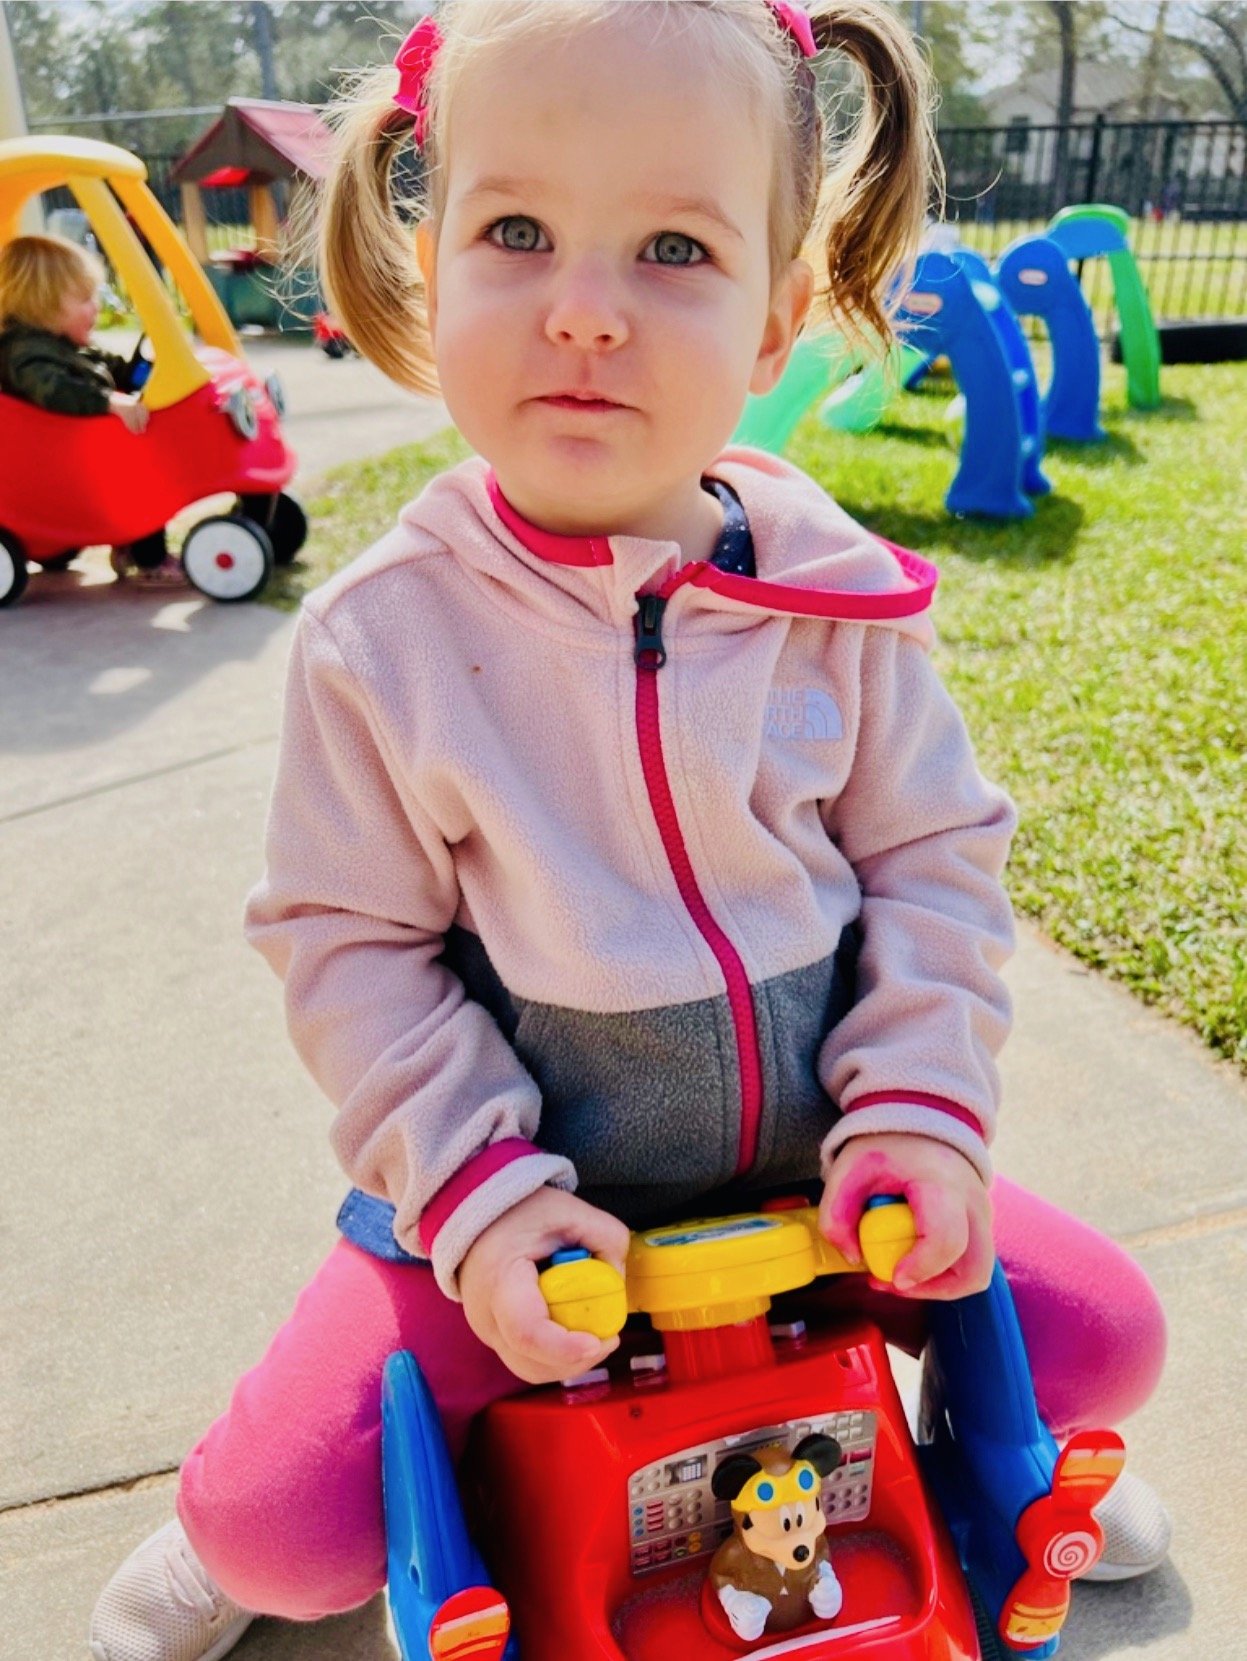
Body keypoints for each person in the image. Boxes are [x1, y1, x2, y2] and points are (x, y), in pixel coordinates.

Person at [88, 3, 1170, 1657]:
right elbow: (349, 948)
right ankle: (249, 1524)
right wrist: (482, 1195)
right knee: (282, 1534)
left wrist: (923, 1118)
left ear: (773, 320)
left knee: (1104, 1337)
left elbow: (932, 866)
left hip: (819, 1192)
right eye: (515, 231)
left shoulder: (840, 605)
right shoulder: (382, 646)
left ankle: (981, 1457)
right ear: (429, 262)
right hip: (530, 1205)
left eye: (671, 246)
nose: (582, 310)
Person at [0, 233, 185, 586]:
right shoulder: (25, 353)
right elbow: (54, 390)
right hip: (51, 465)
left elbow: (106, 365)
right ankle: (148, 557)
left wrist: (142, 371)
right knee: (142, 468)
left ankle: (133, 546)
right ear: (43, 303)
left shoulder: (64, 346)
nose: (96, 307)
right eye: (85, 299)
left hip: (71, 457)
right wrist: (108, 401)